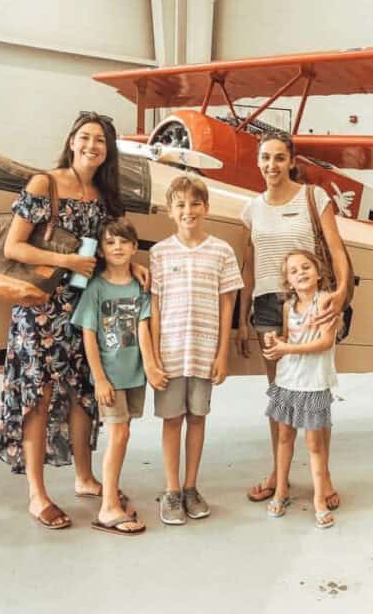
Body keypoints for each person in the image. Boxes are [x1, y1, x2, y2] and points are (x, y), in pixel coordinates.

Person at [0, 111, 148, 530]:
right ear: (72, 141)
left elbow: (110, 250)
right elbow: (14, 247)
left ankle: (84, 477)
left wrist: (130, 268)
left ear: (108, 151)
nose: (92, 145)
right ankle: (37, 494)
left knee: (84, 395)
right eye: (85, 137)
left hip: (84, 310)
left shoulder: (104, 196)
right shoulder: (44, 183)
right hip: (40, 308)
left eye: (100, 140)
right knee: (39, 396)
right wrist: (63, 259)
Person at [235, 131, 348, 508]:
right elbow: (249, 267)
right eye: (265, 157)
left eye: (280, 157)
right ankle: (277, 473)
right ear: (258, 162)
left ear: (292, 161)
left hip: (312, 302)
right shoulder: (251, 209)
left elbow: (336, 251)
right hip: (268, 305)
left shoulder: (315, 198)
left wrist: (341, 292)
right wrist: (241, 316)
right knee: (281, 394)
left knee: (315, 389)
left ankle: (324, 475)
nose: (272, 165)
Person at [147, 175, 243, 525]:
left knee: (197, 419)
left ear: (206, 208)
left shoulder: (222, 251)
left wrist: (222, 354)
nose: (189, 211)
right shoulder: (159, 253)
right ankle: (171, 490)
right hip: (171, 355)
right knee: (172, 421)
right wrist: (154, 358)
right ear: (171, 211)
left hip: (204, 353)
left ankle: (191, 486)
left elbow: (227, 305)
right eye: (181, 205)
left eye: (195, 204)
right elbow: (154, 307)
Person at [71, 215, 153, 536]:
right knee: (118, 435)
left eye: (123, 242)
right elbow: (88, 335)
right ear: (101, 250)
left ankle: (111, 494)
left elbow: (144, 329)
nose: (117, 247)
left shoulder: (139, 286)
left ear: (134, 248)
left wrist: (151, 367)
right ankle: (108, 507)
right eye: (110, 242)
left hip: (133, 376)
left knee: (124, 434)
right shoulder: (95, 289)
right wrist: (100, 378)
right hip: (109, 377)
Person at [261, 249, 340, 529]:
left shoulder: (326, 302)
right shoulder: (287, 308)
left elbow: (325, 342)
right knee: (284, 438)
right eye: (294, 271)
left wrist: (288, 347)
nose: (301, 273)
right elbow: (286, 337)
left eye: (306, 267)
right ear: (288, 282)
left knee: (314, 444)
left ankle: (319, 498)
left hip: (314, 384)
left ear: (319, 272)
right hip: (287, 382)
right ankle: (282, 490)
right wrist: (275, 343)